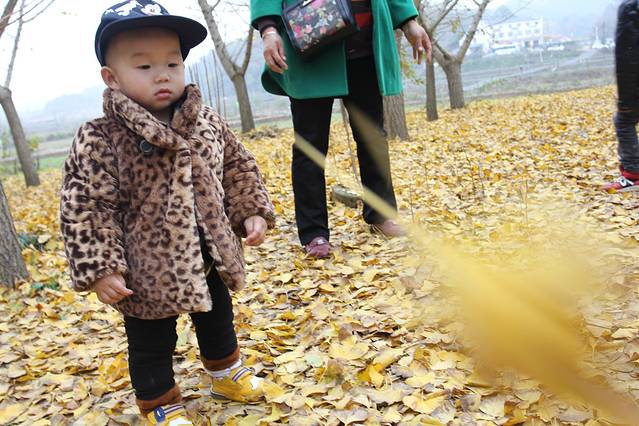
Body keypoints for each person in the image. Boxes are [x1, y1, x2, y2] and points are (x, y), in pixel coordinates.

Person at [59, 1, 275, 424]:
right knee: (150, 342)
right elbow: (86, 207)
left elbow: (237, 166)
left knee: (218, 320)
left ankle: (226, 374)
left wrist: (251, 210)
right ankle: (159, 402)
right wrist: (101, 267)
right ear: (112, 77)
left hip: (209, 253)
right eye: (144, 66)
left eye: (172, 63)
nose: (162, 74)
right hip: (145, 270)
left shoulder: (205, 121)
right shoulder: (101, 137)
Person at [251, 0, 432, 258]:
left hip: (365, 44)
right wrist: (268, 30)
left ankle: (381, 215)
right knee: (310, 146)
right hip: (309, 40)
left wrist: (408, 21)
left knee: (373, 138)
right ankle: (313, 232)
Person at [604, 0, 639, 192]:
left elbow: (627, 56)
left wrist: (625, 98)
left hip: (635, 86)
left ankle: (633, 175)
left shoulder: (631, 9)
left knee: (624, 121)